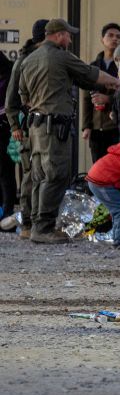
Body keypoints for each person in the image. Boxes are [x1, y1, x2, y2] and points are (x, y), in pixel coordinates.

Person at [17, 19, 120, 243]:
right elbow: (91, 73)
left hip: (35, 126)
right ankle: (44, 228)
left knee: (39, 175)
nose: (70, 39)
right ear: (57, 35)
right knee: (56, 174)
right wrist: (116, 82)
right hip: (53, 127)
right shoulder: (60, 55)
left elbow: (23, 94)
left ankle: (36, 224)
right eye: (68, 35)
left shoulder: (30, 59)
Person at [4, 19, 48, 235]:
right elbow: (11, 97)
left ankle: (42, 220)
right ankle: (28, 223)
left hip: (45, 126)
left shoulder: (49, 58)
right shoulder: (24, 61)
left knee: (44, 173)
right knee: (29, 172)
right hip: (26, 125)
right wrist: (14, 125)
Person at [82, 22, 120, 162]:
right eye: (110, 35)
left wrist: (109, 99)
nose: (114, 39)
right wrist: (86, 126)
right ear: (102, 39)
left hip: (116, 126)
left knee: (114, 167)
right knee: (98, 168)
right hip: (96, 127)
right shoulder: (93, 67)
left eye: (118, 37)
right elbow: (86, 98)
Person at [0, 55, 17, 223]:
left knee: (5, 171)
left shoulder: (9, 78)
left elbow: (10, 105)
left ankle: (7, 210)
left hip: (5, 129)